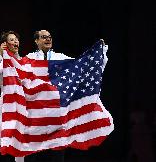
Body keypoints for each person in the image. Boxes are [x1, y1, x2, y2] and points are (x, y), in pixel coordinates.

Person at [25, 29, 108, 162]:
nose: (48, 39)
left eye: (50, 37)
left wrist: (98, 53)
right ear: (36, 41)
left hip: (57, 112)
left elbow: (80, 66)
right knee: (31, 153)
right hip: (36, 113)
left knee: (57, 153)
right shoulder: (28, 59)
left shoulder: (60, 57)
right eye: (44, 37)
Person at [0, 31, 24, 162]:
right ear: (5, 44)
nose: (15, 42)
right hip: (5, 101)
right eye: (12, 40)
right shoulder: (2, 61)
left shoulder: (23, 61)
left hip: (21, 102)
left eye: (16, 39)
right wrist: (0, 54)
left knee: (20, 138)